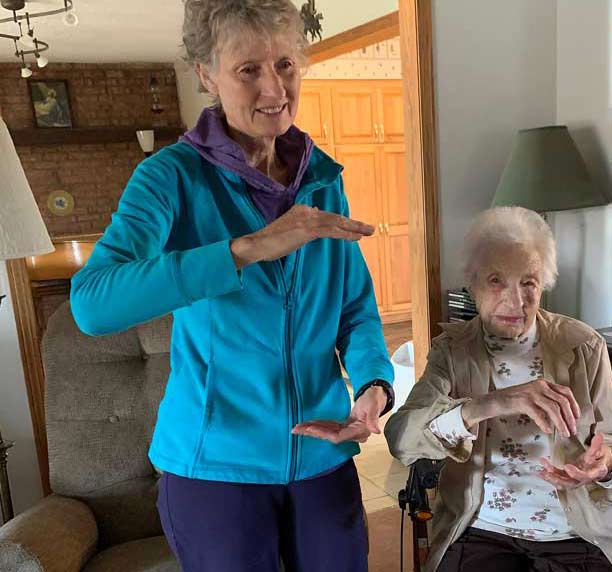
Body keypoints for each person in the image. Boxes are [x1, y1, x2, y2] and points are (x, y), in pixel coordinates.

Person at [69, 1, 393, 570]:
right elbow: (93, 304)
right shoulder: (170, 176)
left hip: (323, 459)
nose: (275, 87)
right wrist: (248, 248)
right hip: (215, 471)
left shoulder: (322, 179)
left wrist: (373, 384)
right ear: (206, 74)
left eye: (287, 64)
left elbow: (355, 309)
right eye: (249, 69)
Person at [385, 207, 612, 572]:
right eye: (496, 280)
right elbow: (401, 439)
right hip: (481, 530)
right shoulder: (453, 351)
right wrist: (490, 403)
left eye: (528, 282)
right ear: (473, 285)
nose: (516, 301)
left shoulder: (584, 346)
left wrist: (604, 467)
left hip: (576, 531)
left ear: (543, 284)